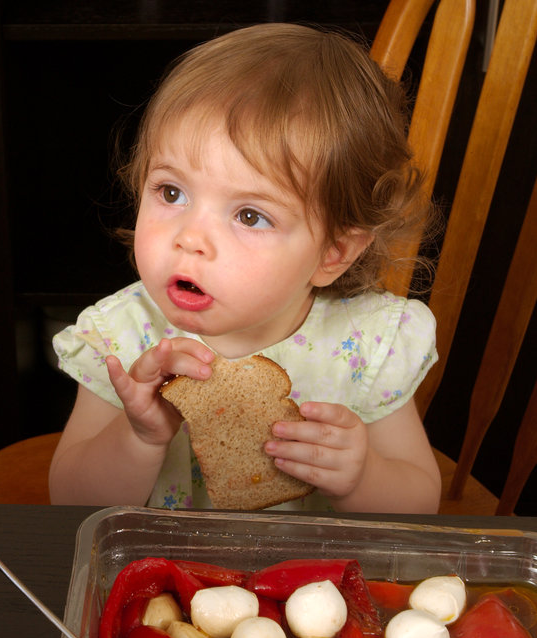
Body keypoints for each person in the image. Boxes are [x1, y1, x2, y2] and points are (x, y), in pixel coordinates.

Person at [49, 23, 441, 513]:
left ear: (332, 254)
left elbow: (420, 505)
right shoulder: (124, 338)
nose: (190, 237)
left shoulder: (368, 344)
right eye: (172, 193)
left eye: (250, 216)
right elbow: (67, 502)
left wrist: (363, 476)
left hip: (304, 583)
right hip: (162, 578)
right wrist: (138, 438)